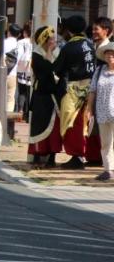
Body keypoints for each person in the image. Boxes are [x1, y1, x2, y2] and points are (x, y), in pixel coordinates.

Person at [55, 14, 98, 169]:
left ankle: (76, 156)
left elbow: (58, 69)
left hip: (73, 89)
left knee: (71, 123)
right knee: (85, 123)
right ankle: (82, 154)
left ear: (69, 30)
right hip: (90, 88)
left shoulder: (68, 47)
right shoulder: (90, 45)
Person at [27, 26, 62, 167]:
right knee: (39, 126)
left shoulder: (59, 53)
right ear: (44, 40)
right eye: (50, 39)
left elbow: (60, 70)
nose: (54, 41)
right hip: (41, 96)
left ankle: (52, 156)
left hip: (55, 96)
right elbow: (46, 72)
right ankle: (36, 155)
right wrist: (48, 52)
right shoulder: (36, 55)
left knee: (55, 128)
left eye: (54, 38)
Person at [87, 41, 114, 181]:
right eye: (107, 53)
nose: (110, 56)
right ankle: (108, 169)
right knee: (106, 142)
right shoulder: (99, 71)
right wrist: (89, 108)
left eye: (112, 53)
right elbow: (92, 91)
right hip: (102, 111)